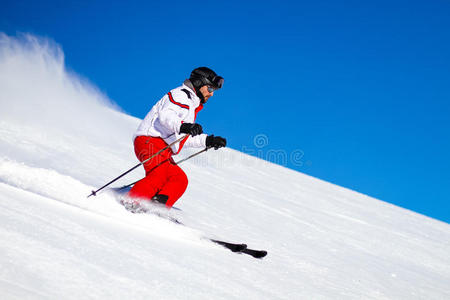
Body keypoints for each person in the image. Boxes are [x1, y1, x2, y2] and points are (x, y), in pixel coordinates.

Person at [127, 67, 227, 209]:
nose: (211, 94)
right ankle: (131, 203)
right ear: (199, 83)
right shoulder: (181, 95)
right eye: (210, 89)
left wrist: (208, 140)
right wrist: (184, 126)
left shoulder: (191, 105)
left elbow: (182, 138)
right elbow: (166, 116)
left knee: (178, 179)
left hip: (164, 148)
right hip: (149, 141)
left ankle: (157, 207)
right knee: (159, 176)